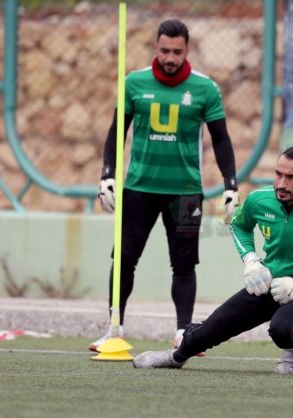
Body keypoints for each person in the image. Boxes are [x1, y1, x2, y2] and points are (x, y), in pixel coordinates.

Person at [132, 146, 293, 374]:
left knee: (284, 329)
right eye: (278, 174)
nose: (281, 183)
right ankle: (175, 358)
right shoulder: (259, 199)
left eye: (291, 177)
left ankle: (292, 348)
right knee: (211, 328)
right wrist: (251, 259)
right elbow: (238, 226)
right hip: (269, 283)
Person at [92, 19, 239, 351]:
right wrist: (107, 175)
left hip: (186, 193)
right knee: (124, 259)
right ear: (155, 48)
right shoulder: (133, 82)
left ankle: (184, 333)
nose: (170, 58)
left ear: (187, 50)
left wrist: (231, 185)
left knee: (184, 265)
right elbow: (116, 132)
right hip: (139, 189)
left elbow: (221, 139)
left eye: (177, 51)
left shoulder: (205, 88)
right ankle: (114, 328)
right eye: (165, 50)